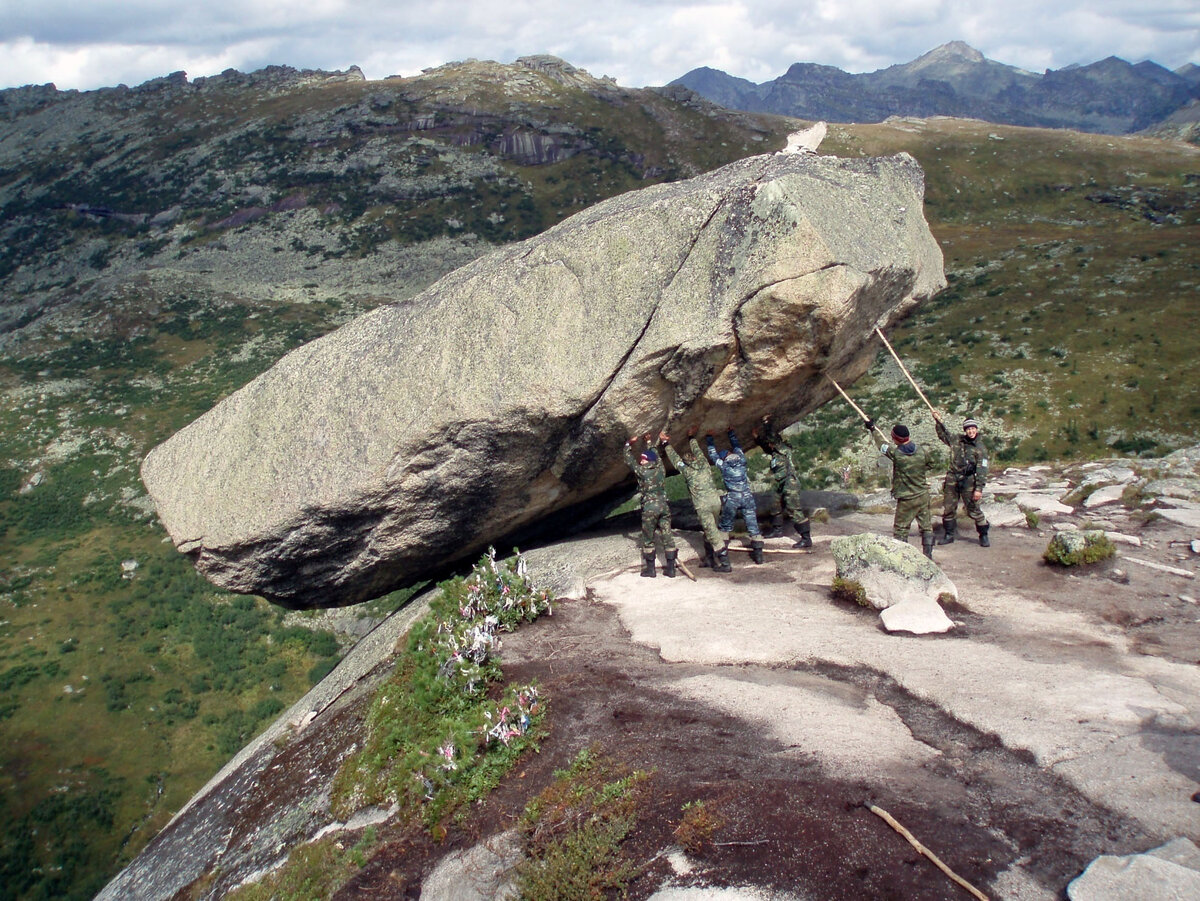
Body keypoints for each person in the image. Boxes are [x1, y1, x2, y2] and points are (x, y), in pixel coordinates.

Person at [868, 420, 940, 559]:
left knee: (901, 529)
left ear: (895, 439)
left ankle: (902, 557)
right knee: (926, 526)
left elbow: (881, 445)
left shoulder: (896, 453)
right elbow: (931, 464)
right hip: (923, 495)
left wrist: (873, 429)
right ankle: (928, 555)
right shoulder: (921, 451)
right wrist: (917, 470)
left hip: (907, 498)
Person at [664, 427, 727, 570]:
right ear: (695, 459)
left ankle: (725, 563)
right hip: (716, 502)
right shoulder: (704, 464)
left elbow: (675, 460)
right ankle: (709, 559)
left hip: (703, 506)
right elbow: (698, 451)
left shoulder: (687, 471)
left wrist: (665, 444)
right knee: (710, 529)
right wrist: (691, 438)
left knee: (712, 533)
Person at [706, 428, 764, 566]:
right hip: (747, 497)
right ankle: (759, 556)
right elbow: (737, 446)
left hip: (733, 498)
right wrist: (731, 433)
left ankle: (723, 555)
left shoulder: (724, 466)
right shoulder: (742, 461)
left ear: (724, 457)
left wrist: (709, 438)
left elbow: (712, 454)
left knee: (725, 526)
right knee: (753, 525)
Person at [624, 432, 677, 577]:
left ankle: (651, 569)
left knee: (648, 537)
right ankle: (671, 569)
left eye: (643, 459)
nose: (641, 461)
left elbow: (629, 461)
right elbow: (657, 457)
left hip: (649, 508)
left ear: (647, 461)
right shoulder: (660, 469)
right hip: (664, 506)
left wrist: (628, 445)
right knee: (667, 535)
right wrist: (649, 442)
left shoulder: (641, 471)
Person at [754, 416, 813, 549]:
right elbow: (766, 446)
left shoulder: (783, 448)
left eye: (771, 443)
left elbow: (772, 437)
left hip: (789, 481)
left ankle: (806, 538)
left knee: (793, 508)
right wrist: (756, 438)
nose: (769, 445)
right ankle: (777, 530)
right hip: (780, 482)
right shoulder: (775, 452)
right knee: (775, 504)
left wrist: (767, 423)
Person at [933, 413, 990, 547]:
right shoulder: (956, 440)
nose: (971, 431)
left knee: (973, 509)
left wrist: (979, 488)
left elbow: (982, 469)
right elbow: (943, 434)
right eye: (968, 429)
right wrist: (937, 421)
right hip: (952, 479)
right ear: (965, 430)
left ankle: (983, 534)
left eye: (973, 428)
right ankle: (949, 534)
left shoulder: (980, 448)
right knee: (948, 508)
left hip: (969, 480)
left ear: (976, 429)